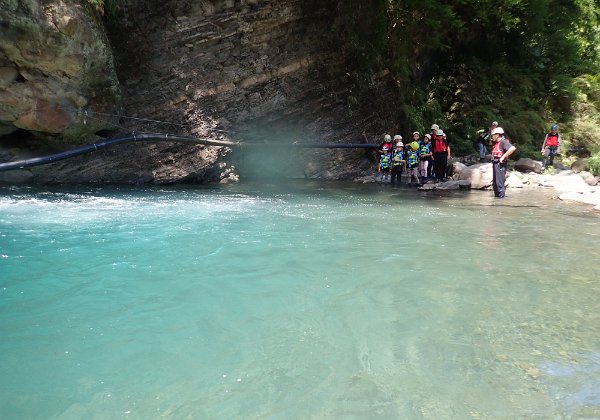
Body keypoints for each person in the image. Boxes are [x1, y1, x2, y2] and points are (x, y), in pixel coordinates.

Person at [490, 126, 516, 198]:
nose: (492, 137)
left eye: (493, 135)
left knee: (499, 183)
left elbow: (512, 148)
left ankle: (500, 201)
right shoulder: (495, 143)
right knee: (495, 184)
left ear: (497, 135)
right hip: (495, 164)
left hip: (500, 164)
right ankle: (497, 199)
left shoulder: (503, 142)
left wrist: (503, 156)